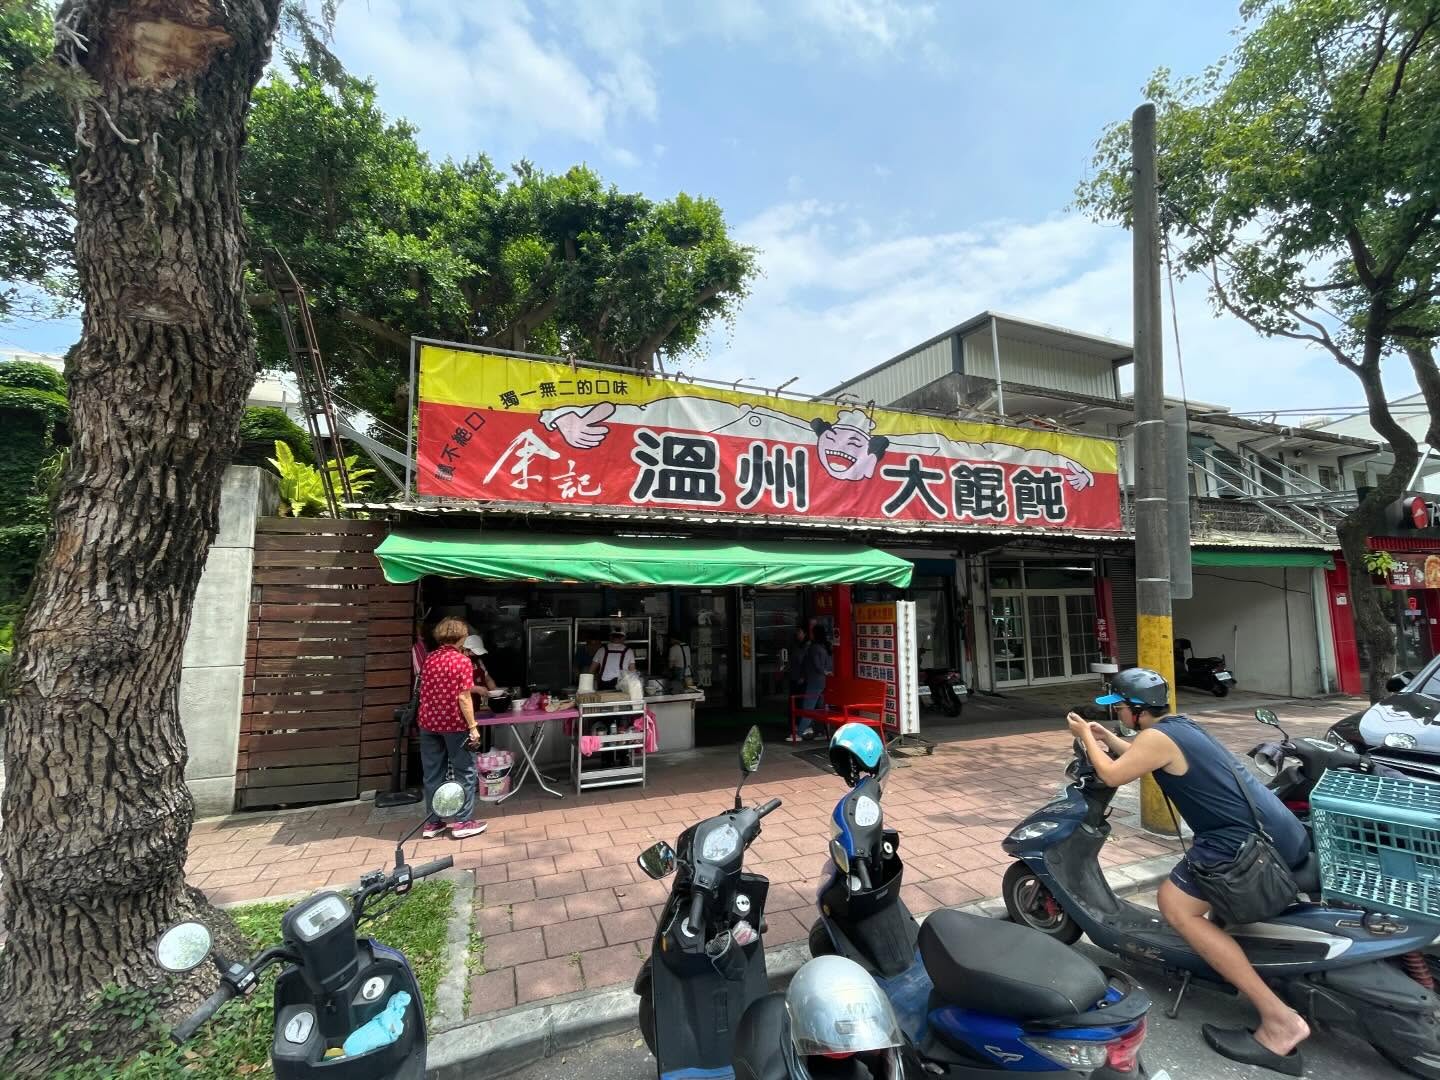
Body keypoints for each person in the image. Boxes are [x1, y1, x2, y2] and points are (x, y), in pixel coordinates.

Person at [1066, 668, 1310, 1074]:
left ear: (1138, 709)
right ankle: (1224, 964)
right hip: (1270, 827)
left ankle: (1281, 1021)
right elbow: (1143, 753)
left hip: (1239, 841)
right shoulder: (1176, 727)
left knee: (1174, 905)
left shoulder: (1157, 737)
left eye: (1120, 709)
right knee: (1196, 905)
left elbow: (1110, 774)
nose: (1118, 715)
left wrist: (1085, 735)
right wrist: (1109, 739)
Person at [415, 618, 488, 840]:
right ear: (461, 637)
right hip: (454, 724)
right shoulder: (461, 661)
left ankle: (433, 823)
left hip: (428, 723)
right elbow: (464, 697)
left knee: (432, 774)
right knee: (465, 771)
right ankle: (463, 821)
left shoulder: (430, 658)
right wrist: (473, 726)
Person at [790, 624, 832, 743]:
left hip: (815, 681)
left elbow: (817, 665)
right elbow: (827, 665)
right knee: (820, 707)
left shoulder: (814, 648)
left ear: (814, 634)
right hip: (824, 681)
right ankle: (821, 731)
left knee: (808, 707)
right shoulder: (826, 646)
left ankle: (799, 733)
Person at [590, 626, 636, 691]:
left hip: (603, 685)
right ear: (623, 638)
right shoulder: (629, 651)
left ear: (610, 637)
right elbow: (632, 672)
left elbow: (591, 670)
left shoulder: (601, 650)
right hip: (621, 685)